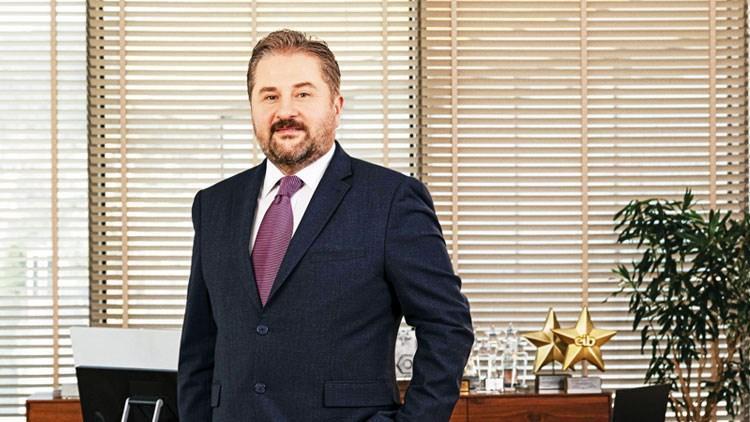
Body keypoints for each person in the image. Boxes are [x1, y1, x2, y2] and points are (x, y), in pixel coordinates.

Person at [177, 29, 474, 422]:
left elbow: (447, 326)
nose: (285, 111)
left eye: (303, 94)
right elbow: (199, 346)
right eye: (269, 96)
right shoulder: (214, 205)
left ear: (336, 105)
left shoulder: (391, 200)